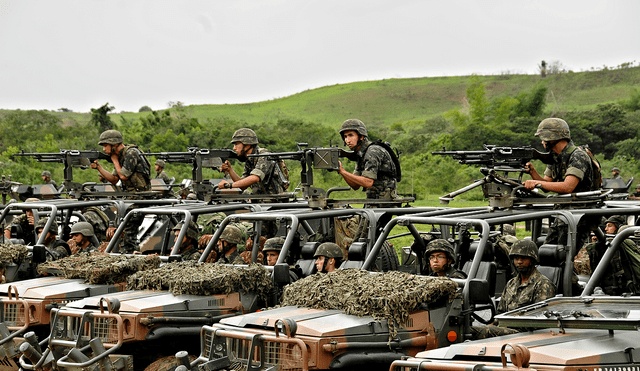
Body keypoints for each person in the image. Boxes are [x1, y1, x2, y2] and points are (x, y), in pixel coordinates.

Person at [523, 118, 598, 248]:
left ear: (552, 138)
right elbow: (546, 184)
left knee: (563, 258)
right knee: (547, 253)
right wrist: (533, 173)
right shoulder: (556, 157)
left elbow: (568, 187)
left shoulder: (577, 156)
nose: (542, 142)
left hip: (577, 217)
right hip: (563, 215)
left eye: (543, 138)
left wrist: (535, 183)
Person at [91, 130, 151, 253]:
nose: (103, 149)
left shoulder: (131, 153)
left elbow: (123, 176)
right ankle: (127, 252)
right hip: (130, 197)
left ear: (114, 144)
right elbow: (114, 179)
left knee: (128, 230)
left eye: (105, 145)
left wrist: (114, 160)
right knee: (121, 227)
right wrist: (99, 167)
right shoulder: (120, 156)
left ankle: (128, 254)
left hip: (140, 196)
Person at [336, 119, 398, 200]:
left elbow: (368, 182)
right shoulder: (361, 154)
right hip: (373, 201)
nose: (347, 140)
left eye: (350, 135)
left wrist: (343, 171)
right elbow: (355, 186)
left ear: (361, 136)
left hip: (386, 202)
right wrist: (340, 170)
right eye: (345, 136)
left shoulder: (372, 151)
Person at [218, 128, 285, 195]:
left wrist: (230, 185)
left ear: (247, 144)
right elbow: (243, 186)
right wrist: (230, 170)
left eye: (237, 144)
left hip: (274, 200)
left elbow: (255, 178)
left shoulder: (264, 155)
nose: (234, 148)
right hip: (261, 200)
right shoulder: (250, 159)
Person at [497, 240, 556, 314]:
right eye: (516, 258)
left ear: (533, 260)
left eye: (523, 258)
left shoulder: (543, 285)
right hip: (506, 323)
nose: (519, 262)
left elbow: (541, 317)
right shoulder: (511, 283)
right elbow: (500, 312)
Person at [585, 215, 640, 295]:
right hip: (609, 290)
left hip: (624, 289)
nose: (606, 229)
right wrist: (597, 244)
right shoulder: (603, 245)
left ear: (618, 227)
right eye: (606, 226)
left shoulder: (625, 244)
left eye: (610, 226)